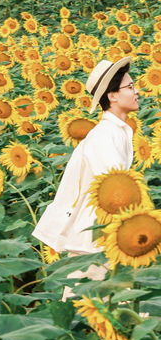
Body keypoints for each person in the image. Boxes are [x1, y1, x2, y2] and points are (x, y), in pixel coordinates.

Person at [32, 57, 139, 260]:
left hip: (100, 238)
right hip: (96, 241)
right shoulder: (105, 136)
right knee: (92, 291)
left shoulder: (115, 131)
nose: (137, 92)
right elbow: (114, 191)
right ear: (113, 95)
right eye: (130, 87)